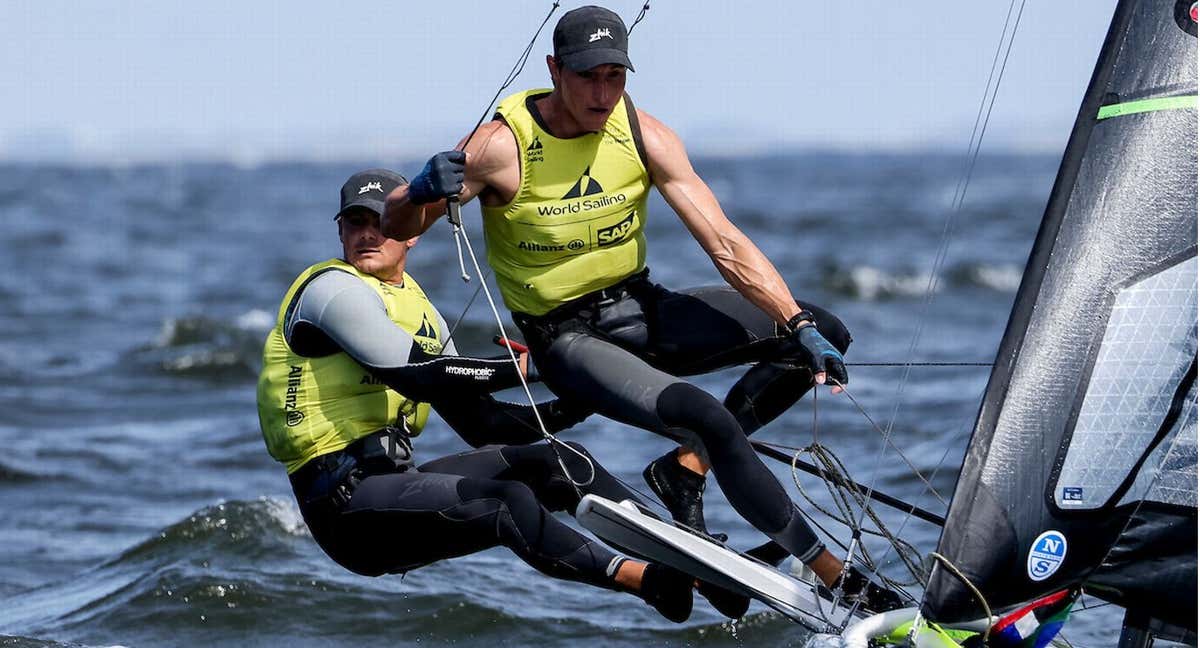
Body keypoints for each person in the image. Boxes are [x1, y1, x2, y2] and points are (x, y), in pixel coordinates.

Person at [381, 7, 903, 614]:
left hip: (640, 309)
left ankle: (686, 470)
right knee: (706, 414)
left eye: (614, 76)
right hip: (567, 339)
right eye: (586, 77)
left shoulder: (644, 134)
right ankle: (837, 576)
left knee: (821, 328)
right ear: (554, 71)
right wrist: (416, 190)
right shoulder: (501, 148)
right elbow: (397, 225)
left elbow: (725, 243)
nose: (602, 93)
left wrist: (799, 324)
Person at [256, 168, 702, 623]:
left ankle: (686, 553)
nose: (367, 234)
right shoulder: (328, 290)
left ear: (412, 231)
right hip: (347, 507)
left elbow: (482, 425)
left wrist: (577, 399)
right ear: (340, 230)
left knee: (561, 462)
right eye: (354, 222)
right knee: (507, 500)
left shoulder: (420, 310)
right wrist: (533, 366)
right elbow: (420, 375)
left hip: (394, 481)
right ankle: (649, 582)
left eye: (379, 222)